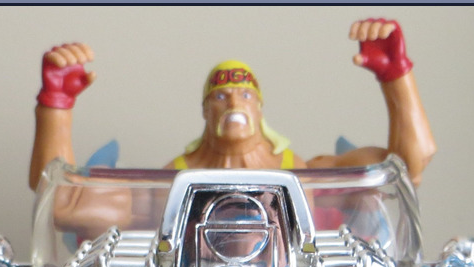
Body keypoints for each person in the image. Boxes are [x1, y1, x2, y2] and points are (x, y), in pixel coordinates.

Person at [29, 19, 435, 191]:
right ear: (205, 111)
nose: (233, 102)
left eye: (245, 94)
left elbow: (408, 167)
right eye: (220, 96)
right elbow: (61, 201)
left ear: (260, 109)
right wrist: (55, 106)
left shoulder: (307, 174)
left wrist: (397, 77)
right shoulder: (168, 183)